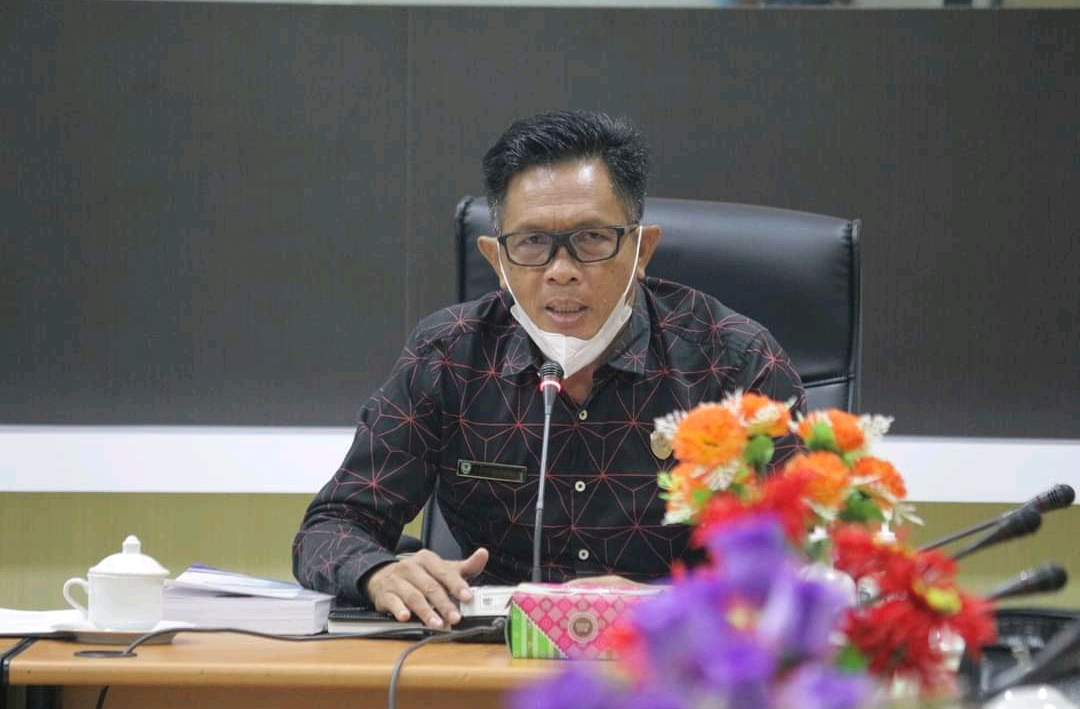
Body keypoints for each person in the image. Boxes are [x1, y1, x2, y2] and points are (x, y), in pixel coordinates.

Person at [292, 109, 805, 630]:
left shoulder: (733, 362)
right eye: (532, 243)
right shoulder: (448, 356)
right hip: (491, 660)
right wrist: (379, 572)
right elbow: (332, 527)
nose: (561, 271)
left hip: (679, 657)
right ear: (497, 260)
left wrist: (667, 602)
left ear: (641, 250)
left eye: (592, 239)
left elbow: (805, 562)